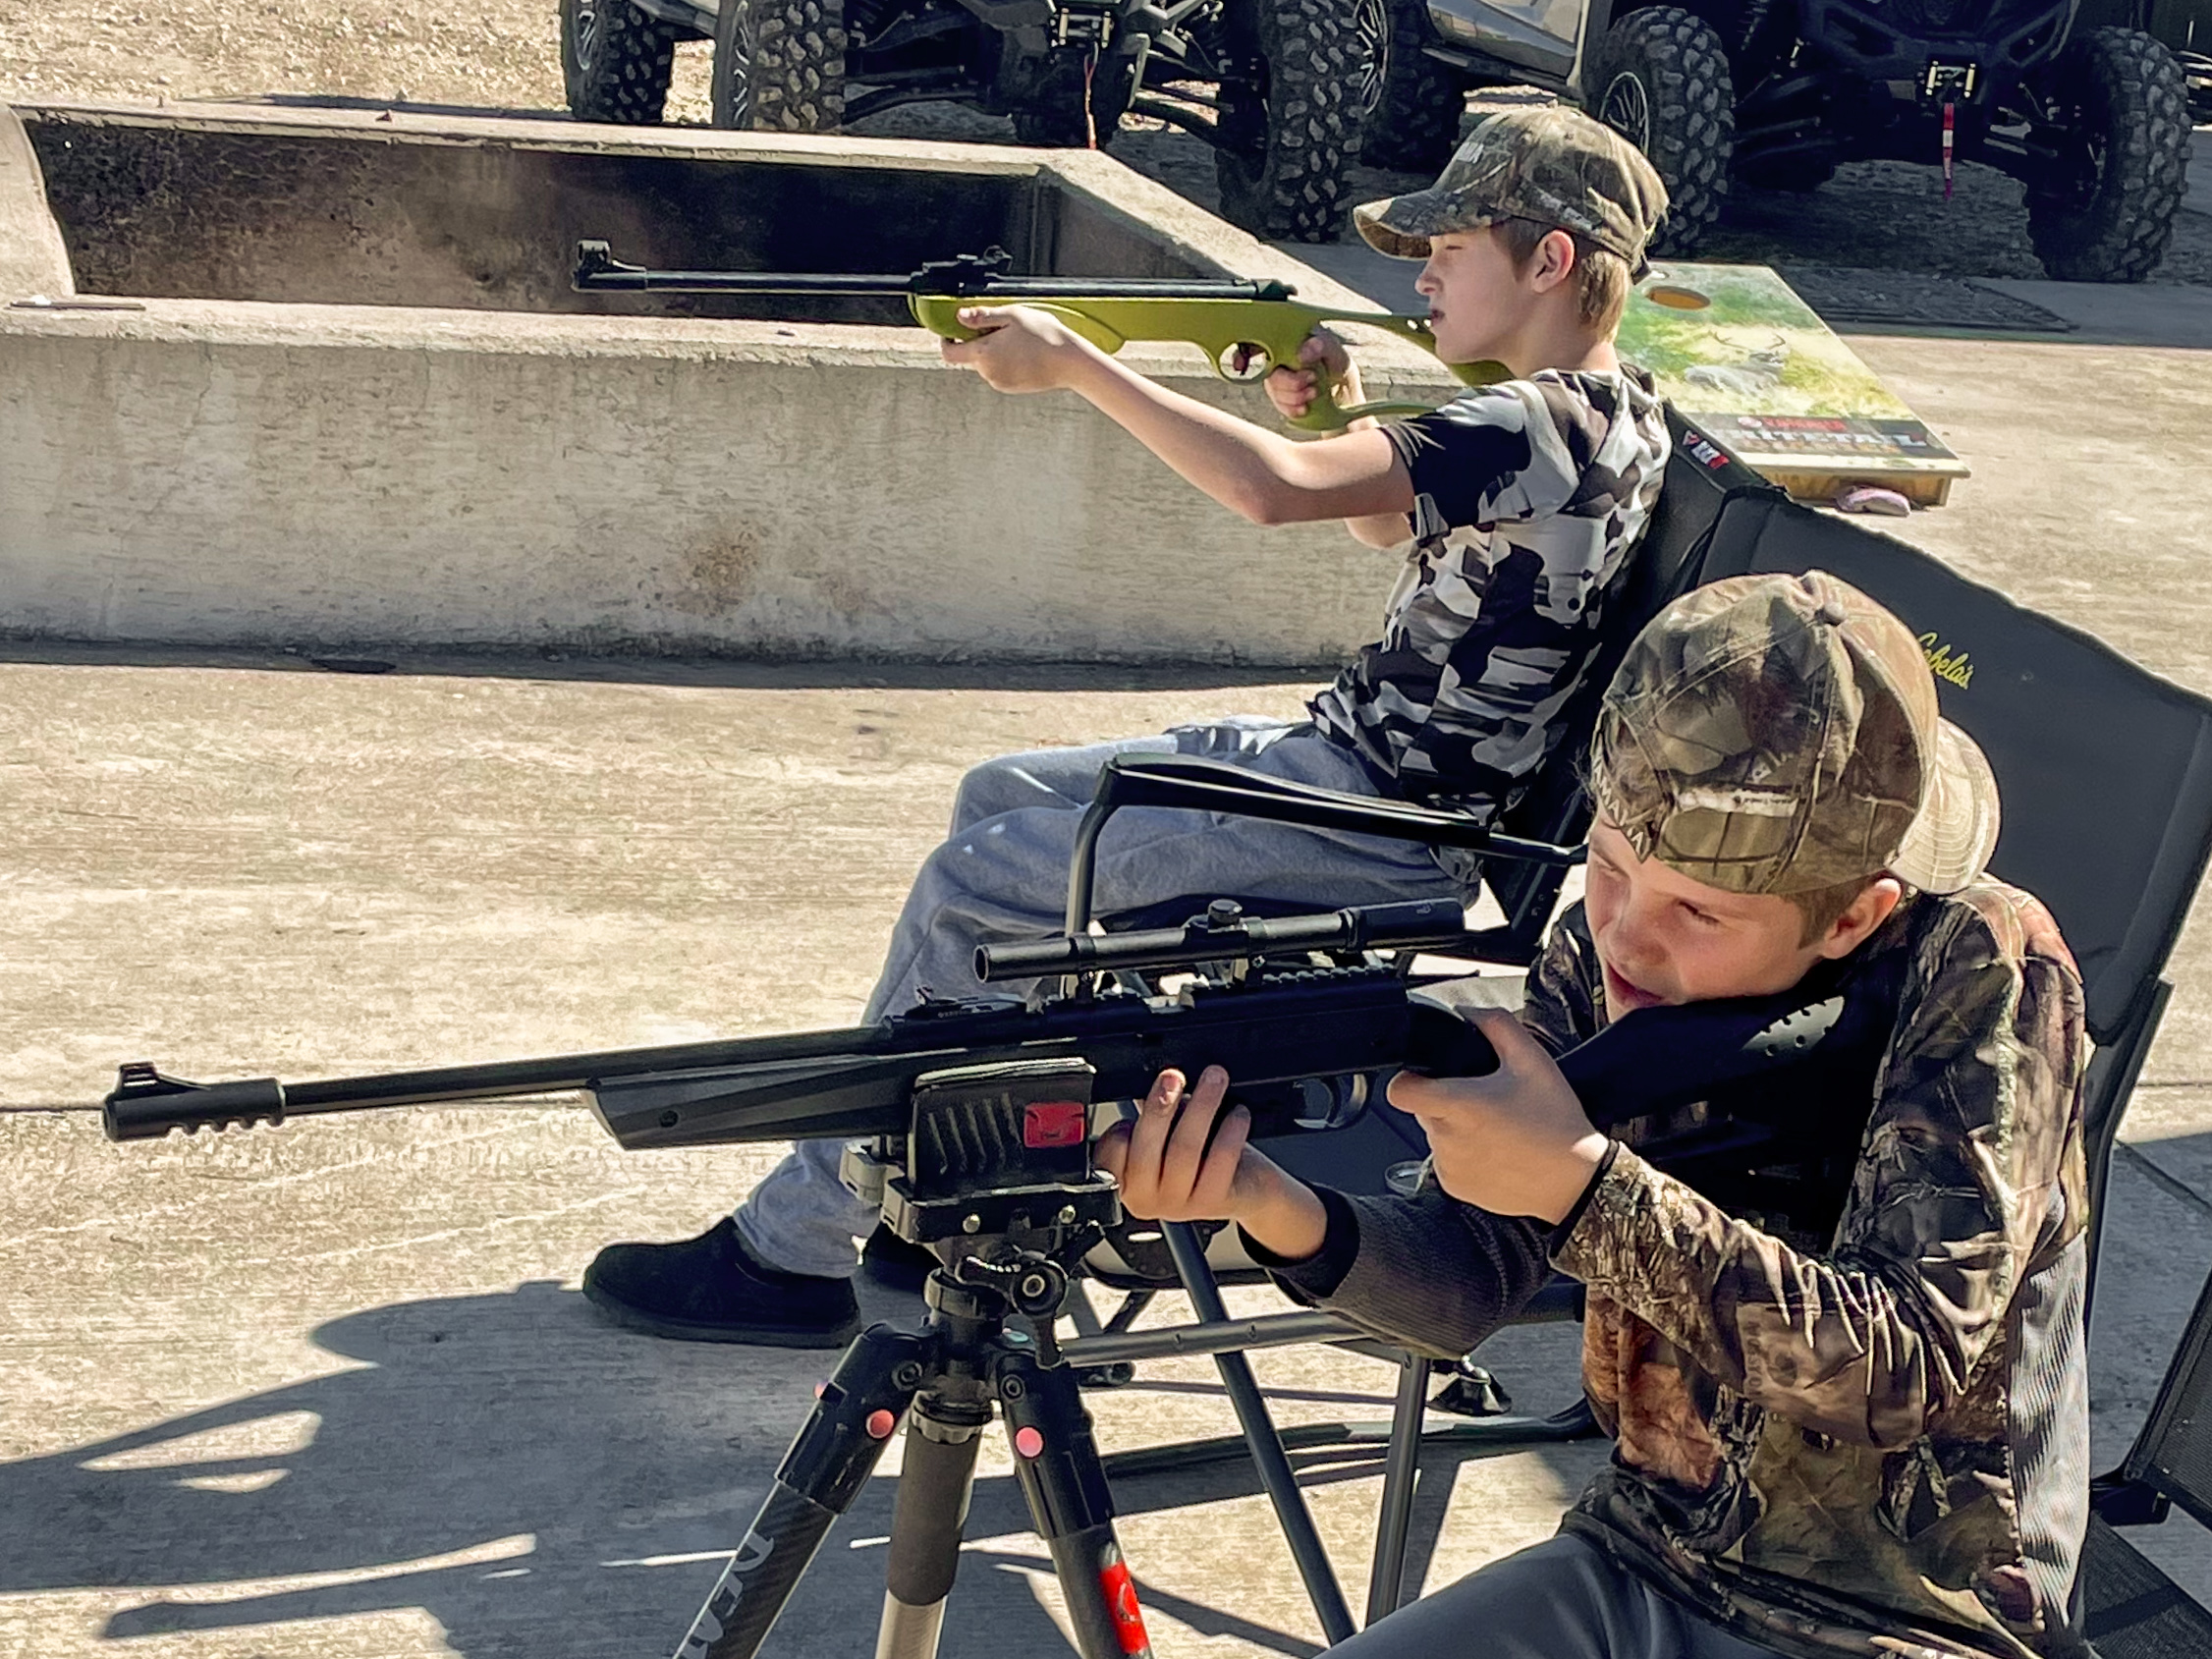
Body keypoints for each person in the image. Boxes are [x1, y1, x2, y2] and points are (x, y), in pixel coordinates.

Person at [582, 104, 1676, 1348]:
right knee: (999, 795)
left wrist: (1077, 366)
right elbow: (1380, 517)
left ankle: (795, 1252)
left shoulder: (1533, 419)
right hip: (1352, 776)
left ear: (1546, 261)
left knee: (970, 889)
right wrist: (1332, 412)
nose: (1418, 270)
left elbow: (1271, 494)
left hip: (1374, 823)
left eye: (1454, 245)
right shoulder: (1610, 416)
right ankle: (934, 1176)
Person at [1100, 569, 2090, 1659]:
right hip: (1641, 1555)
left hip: (1907, 1622)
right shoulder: (1601, 951)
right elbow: (1465, 1280)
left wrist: (1583, 1192)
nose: (1621, 936)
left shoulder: (1984, 965)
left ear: (1854, 915)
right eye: (1608, 868)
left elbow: (1906, 1365)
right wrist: (1264, 1201)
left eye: (1696, 910)